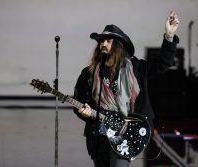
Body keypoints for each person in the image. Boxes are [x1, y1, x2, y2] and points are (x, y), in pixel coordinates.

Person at [73, 11, 180, 167]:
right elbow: (79, 101)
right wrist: (84, 113)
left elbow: (163, 63)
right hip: (99, 136)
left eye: (108, 41)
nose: (103, 44)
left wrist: (169, 36)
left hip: (125, 134)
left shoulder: (136, 68)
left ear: (118, 46)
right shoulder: (89, 73)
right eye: (101, 41)